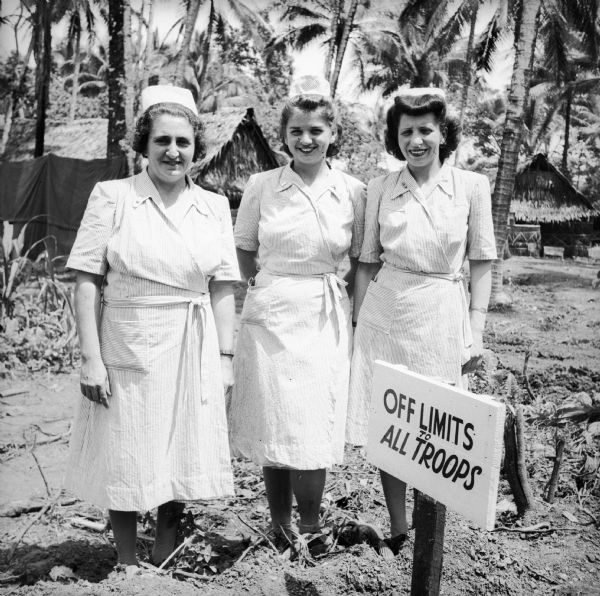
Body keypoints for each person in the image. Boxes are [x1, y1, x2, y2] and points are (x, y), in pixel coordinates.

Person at [65, 85, 239, 572]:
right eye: (162, 140)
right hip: (128, 337)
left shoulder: (212, 205)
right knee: (128, 443)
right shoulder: (114, 197)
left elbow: (223, 288)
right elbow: (85, 280)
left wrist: (225, 359)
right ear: (143, 144)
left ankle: (165, 549)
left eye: (183, 142)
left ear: (195, 148)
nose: (173, 151)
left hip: (193, 339)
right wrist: (91, 357)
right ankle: (125, 560)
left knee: (180, 440)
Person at [346, 88, 497, 559]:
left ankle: (431, 531)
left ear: (442, 133)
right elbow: (367, 263)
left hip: (442, 312)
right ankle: (398, 527)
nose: (416, 140)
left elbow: (482, 261)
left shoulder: (472, 186)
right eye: (406, 131)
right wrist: (356, 324)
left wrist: (475, 329)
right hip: (385, 313)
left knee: (436, 425)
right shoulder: (380, 189)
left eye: (425, 130)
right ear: (395, 137)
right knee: (390, 423)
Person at [228, 75, 366, 548]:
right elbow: (244, 248)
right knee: (275, 420)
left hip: (325, 314)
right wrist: (267, 286)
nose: (306, 140)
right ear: (283, 136)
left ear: (332, 134)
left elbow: (364, 257)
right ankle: (280, 527)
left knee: (312, 421)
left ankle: (311, 527)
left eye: (316, 131)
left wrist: (338, 293)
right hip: (271, 313)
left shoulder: (353, 190)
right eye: (296, 132)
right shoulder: (262, 184)